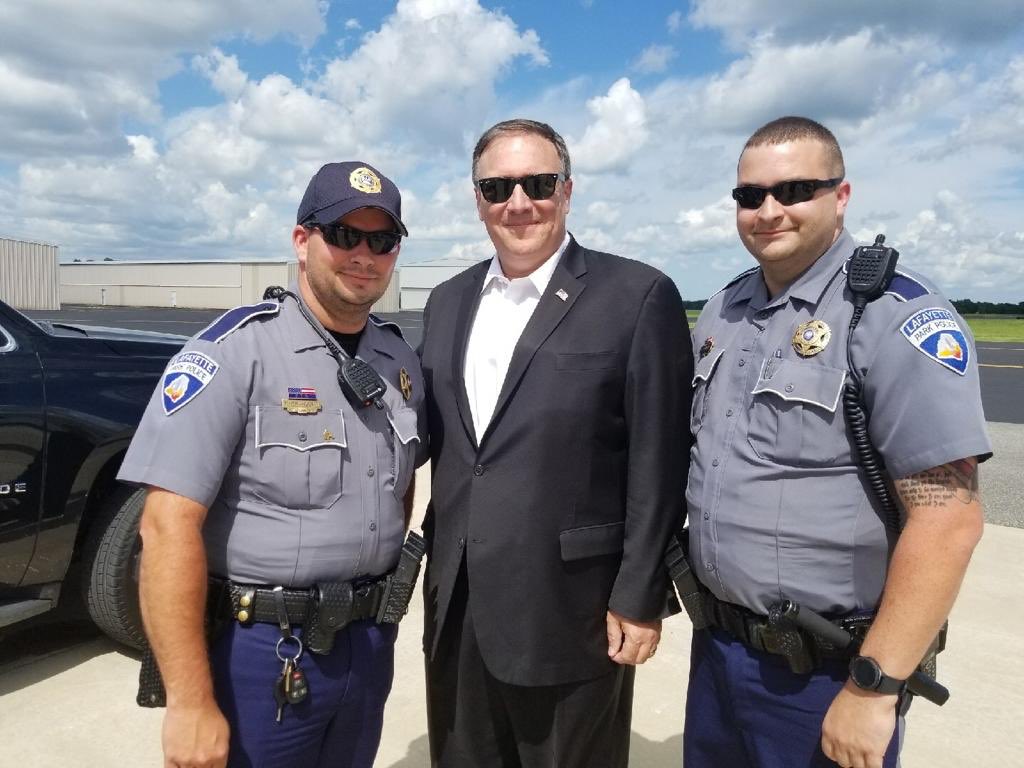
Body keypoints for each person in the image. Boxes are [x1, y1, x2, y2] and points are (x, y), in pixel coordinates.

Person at [683, 116, 992, 768]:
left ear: (841, 196)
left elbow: (948, 520)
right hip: (717, 653)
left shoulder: (891, 316)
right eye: (750, 195)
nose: (769, 210)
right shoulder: (722, 312)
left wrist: (875, 686)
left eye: (794, 190)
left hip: (826, 676)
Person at [118, 161, 425, 768]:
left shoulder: (398, 360)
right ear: (302, 240)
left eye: (383, 240)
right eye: (345, 234)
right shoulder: (233, 352)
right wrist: (189, 702)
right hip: (265, 652)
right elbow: (166, 527)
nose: (364, 255)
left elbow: (401, 486)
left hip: (368, 644)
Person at [417, 118, 693, 767]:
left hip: (572, 608)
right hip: (457, 604)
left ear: (567, 190)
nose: (518, 203)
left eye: (538, 184)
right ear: (477, 199)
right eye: (497, 188)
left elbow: (660, 461)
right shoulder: (447, 301)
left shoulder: (636, 295)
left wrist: (639, 594)